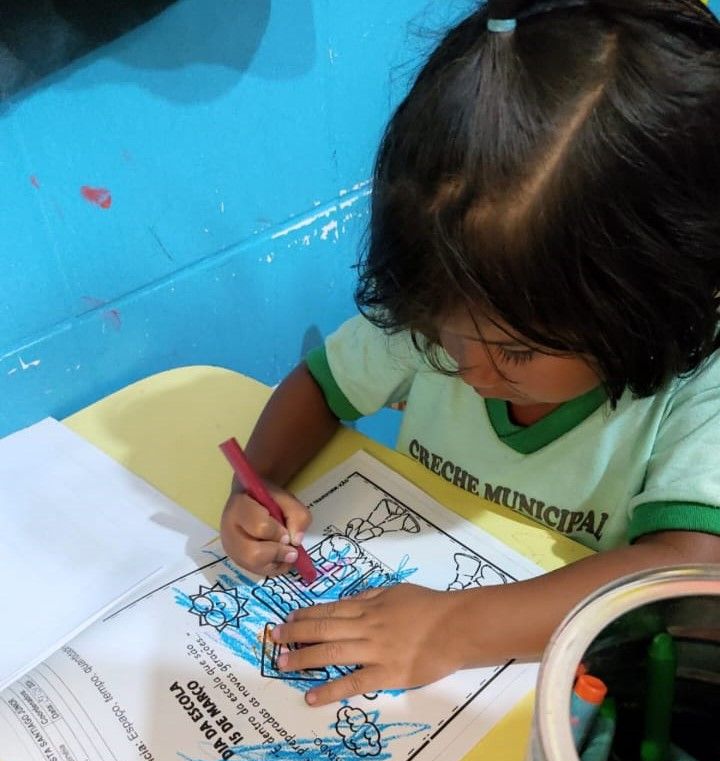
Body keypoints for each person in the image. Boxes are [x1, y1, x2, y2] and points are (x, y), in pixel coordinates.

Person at [221, 0, 720, 706]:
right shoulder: (451, 296)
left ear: (647, 311)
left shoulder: (700, 384)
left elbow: (688, 572)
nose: (467, 368)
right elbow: (321, 387)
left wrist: (451, 629)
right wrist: (259, 485)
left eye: (515, 353)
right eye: (442, 333)